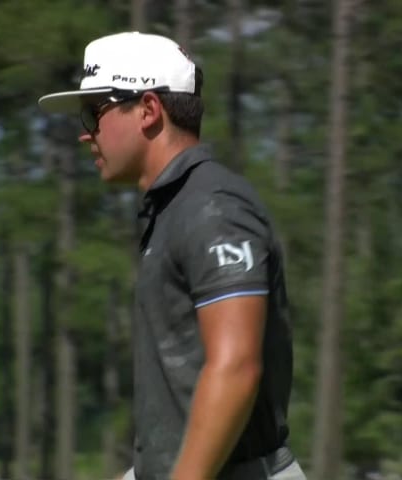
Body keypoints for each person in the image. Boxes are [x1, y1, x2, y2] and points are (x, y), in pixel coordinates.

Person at [38, 32, 305, 480]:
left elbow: (236, 366)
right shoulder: (177, 207)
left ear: (148, 110)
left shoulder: (213, 206)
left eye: (94, 112)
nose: (86, 133)